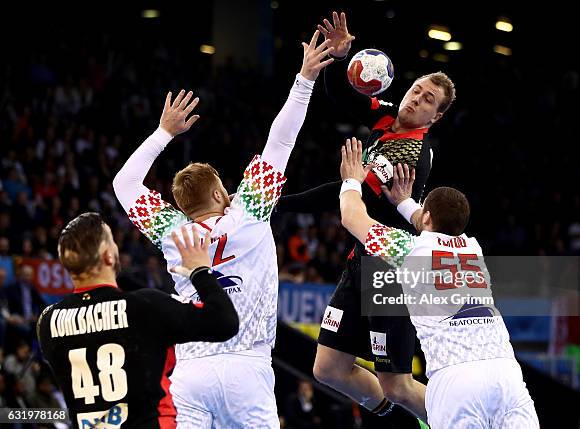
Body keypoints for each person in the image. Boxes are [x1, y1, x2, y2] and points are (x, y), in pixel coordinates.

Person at [112, 30, 334, 428]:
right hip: (246, 367)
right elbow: (280, 141)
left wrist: (164, 132)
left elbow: (124, 184)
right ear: (219, 192)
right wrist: (304, 80)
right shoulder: (249, 208)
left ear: (182, 204)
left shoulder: (172, 230)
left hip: (190, 370)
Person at [277, 11, 455, 421]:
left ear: (436, 117)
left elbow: (342, 196)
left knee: (398, 382)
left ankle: (463, 420)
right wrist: (341, 58)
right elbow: (341, 98)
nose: (416, 99)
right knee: (328, 369)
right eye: (416, 90)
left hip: (390, 270)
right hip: (361, 262)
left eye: (428, 100)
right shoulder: (387, 120)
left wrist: (276, 202)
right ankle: (396, 420)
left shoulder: (412, 151)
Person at [337, 137, 539, 428]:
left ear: (428, 215)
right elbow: (433, 222)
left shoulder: (409, 250)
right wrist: (404, 202)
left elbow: (351, 216)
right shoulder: (473, 247)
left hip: (456, 380)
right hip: (505, 372)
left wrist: (352, 180)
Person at [37, 213, 239, 428]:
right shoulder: (145, 306)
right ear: (108, 257)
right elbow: (224, 321)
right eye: (112, 241)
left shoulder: (47, 322)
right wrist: (200, 271)